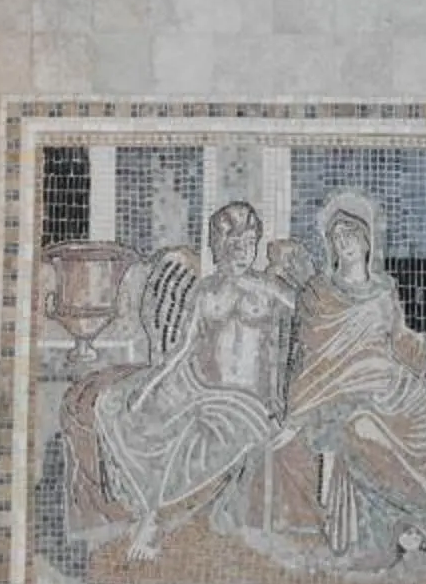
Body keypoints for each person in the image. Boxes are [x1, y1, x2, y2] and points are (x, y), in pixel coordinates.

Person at [271, 189, 426, 573]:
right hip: (347, 395)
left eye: (352, 234)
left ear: (368, 239)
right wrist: (295, 417)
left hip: (395, 386)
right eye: (338, 237)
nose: (346, 243)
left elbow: (403, 341)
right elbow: (306, 360)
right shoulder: (318, 295)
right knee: (364, 433)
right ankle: (400, 523)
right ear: (330, 245)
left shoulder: (385, 290)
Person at [72, 201, 296, 559]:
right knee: (120, 407)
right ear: (218, 246)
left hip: (246, 400)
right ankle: (130, 507)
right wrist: (148, 387)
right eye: (233, 243)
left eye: (249, 242)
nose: (242, 251)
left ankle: (156, 522)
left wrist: (284, 407)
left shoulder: (273, 289)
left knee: (197, 438)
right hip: (199, 386)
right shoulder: (205, 291)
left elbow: (300, 341)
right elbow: (182, 350)